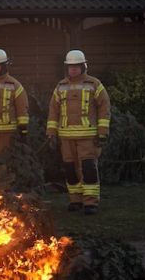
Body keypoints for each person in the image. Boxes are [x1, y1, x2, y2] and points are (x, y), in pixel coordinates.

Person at [47, 50, 110, 215]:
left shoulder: (94, 84)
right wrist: (51, 133)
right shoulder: (61, 86)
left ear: (83, 66)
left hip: (88, 136)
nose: (73, 70)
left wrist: (102, 132)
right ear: (66, 68)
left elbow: (104, 109)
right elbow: (53, 111)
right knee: (69, 169)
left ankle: (90, 203)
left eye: (76, 67)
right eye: (70, 67)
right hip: (66, 136)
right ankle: (75, 200)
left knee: (88, 168)